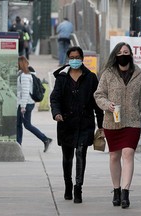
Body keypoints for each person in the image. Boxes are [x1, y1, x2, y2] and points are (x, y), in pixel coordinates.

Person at [94, 42, 141, 208]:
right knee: (114, 156)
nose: (123, 54)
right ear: (116, 55)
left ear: (130, 55)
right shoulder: (108, 73)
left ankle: (125, 193)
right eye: (121, 52)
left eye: (126, 52)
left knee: (128, 153)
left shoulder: (138, 73)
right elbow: (98, 95)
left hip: (132, 122)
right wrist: (107, 105)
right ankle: (116, 189)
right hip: (112, 121)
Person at [50, 46, 104, 204]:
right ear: (68, 59)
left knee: (81, 153)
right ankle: (68, 185)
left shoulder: (91, 77)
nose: (74, 60)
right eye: (71, 57)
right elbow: (55, 98)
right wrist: (56, 113)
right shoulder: (62, 77)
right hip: (66, 123)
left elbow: (97, 102)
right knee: (67, 158)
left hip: (85, 123)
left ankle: (78, 187)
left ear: (82, 59)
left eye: (77, 57)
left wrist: (101, 125)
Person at [17, 56, 52, 152]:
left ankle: (45, 139)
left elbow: (24, 92)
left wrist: (22, 107)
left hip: (25, 104)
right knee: (19, 124)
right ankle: (18, 144)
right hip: (26, 103)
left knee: (26, 125)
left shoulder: (24, 76)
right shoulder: (24, 75)